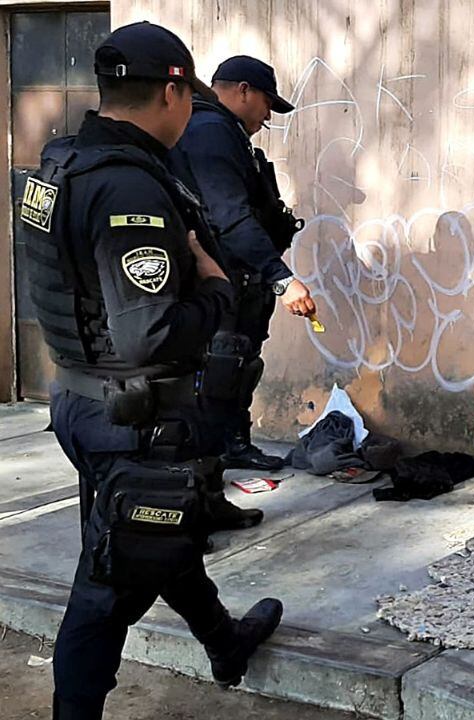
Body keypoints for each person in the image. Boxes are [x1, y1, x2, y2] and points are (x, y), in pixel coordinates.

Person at [17, 22, 282, 719]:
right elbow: (148, 333)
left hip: (84, 400)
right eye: (189, 96)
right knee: (107, 588)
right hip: (135, 418)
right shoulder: (127, 189)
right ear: (172, 91)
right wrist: (217, 288)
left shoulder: (63, 164)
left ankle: (225, 644)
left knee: (156, 534)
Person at [169, 54, 313, 486]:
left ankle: (232, 445)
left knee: (239, 363)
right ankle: (211, 462)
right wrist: (281, 278)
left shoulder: (221, 130)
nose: (267, 117)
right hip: (223, 276)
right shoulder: (211, 131)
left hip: (238, 277)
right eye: (267, 104)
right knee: (224, 365)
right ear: (244, 91)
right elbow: (230, 217)